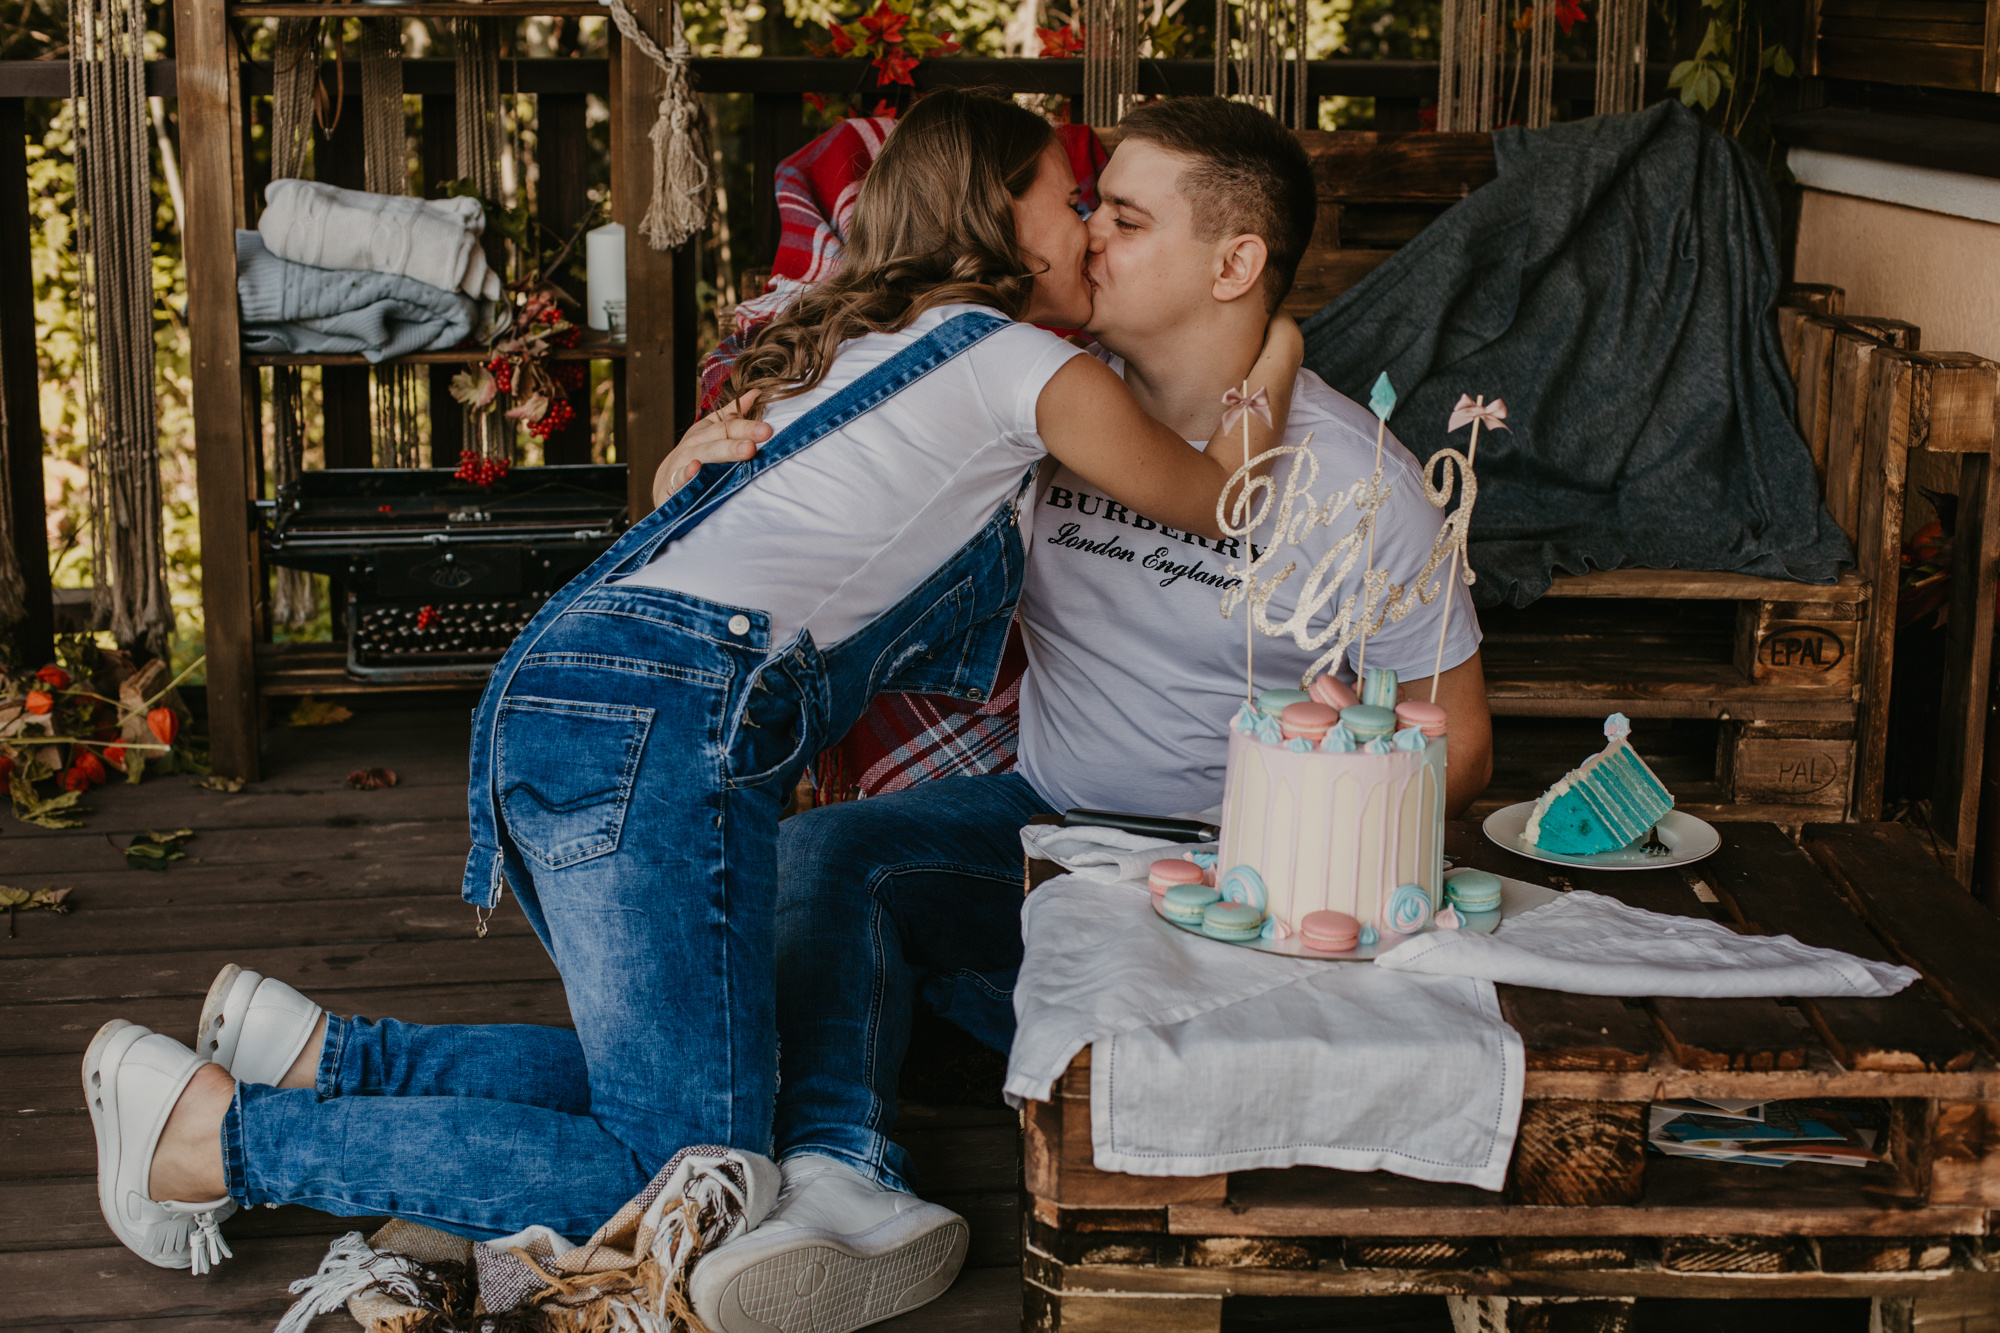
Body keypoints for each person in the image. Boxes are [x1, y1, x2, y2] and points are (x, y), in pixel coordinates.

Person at [82, 89, 1305, 1323]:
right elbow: (1217, 501)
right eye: (1071, 198)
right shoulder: (1021, 361)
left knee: (704, 1094)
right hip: (666, 723)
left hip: (577, 688)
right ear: (998, 213)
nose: (1089, 224)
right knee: (685, 1171)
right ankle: (222, 1142)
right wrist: (1286, 346)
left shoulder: (867, 347)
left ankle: (317, 1057)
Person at [645, 96, 1494, 1330]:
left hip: (1238, 878)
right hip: (1043, 828)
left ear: (1234, 261)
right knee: (828, 859)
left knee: (1108, 1041)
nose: (1085, 235)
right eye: (1089, 207)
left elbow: (1458, 738)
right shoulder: (1043, 405)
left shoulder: (1362, 486)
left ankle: (1043, 1050)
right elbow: (844, 446)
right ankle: (843, 1177)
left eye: (1125, 218)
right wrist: (706, 459)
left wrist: (1307, 863)